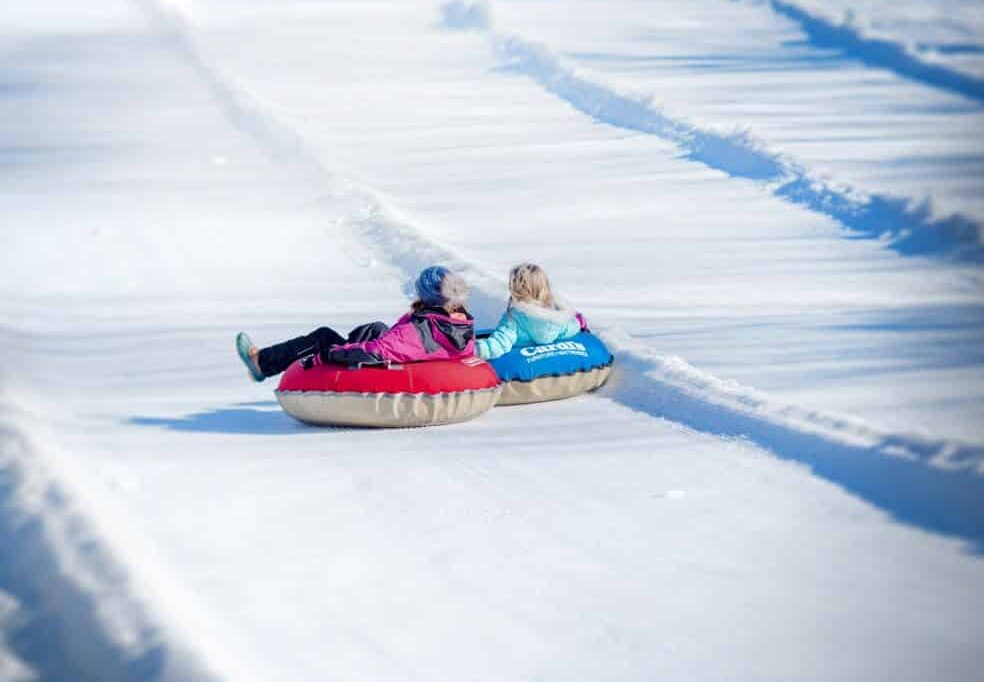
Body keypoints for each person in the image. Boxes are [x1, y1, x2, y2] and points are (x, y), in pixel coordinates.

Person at [236, 266, 474, 381]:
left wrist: (331, 354)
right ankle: (264, 361)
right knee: (375, 328)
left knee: (324, 338)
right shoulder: (460, 323)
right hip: (413, 355)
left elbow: (378, 352)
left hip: (385, 370)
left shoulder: (419, 329)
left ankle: (262, 363)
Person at [476, 262, 588, 360]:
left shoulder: (515, 318)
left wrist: (473, 349)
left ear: (517, 290)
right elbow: (571, 328)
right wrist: (578, 322)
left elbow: (499, 344)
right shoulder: (559, 319)